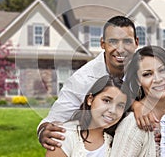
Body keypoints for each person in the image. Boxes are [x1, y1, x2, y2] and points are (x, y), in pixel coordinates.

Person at [38, 15, 139, 150]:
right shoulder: (82, 79)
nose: (120, 49)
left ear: (136, 43)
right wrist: (43, 131)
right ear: (102, 43)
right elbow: (54, 119)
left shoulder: (145, 69)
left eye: (127, 41)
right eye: (113, 41)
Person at [110, 46, 165, 157]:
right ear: (138, 80)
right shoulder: (133, 124)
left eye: (163, 70)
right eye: (147, 74)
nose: (158, 79)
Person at [45, 75, 133, 157]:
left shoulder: (115, 141)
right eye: (106, 101)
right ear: (90, 99)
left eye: (120, 106)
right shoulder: (64, 136)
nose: (112, 110)